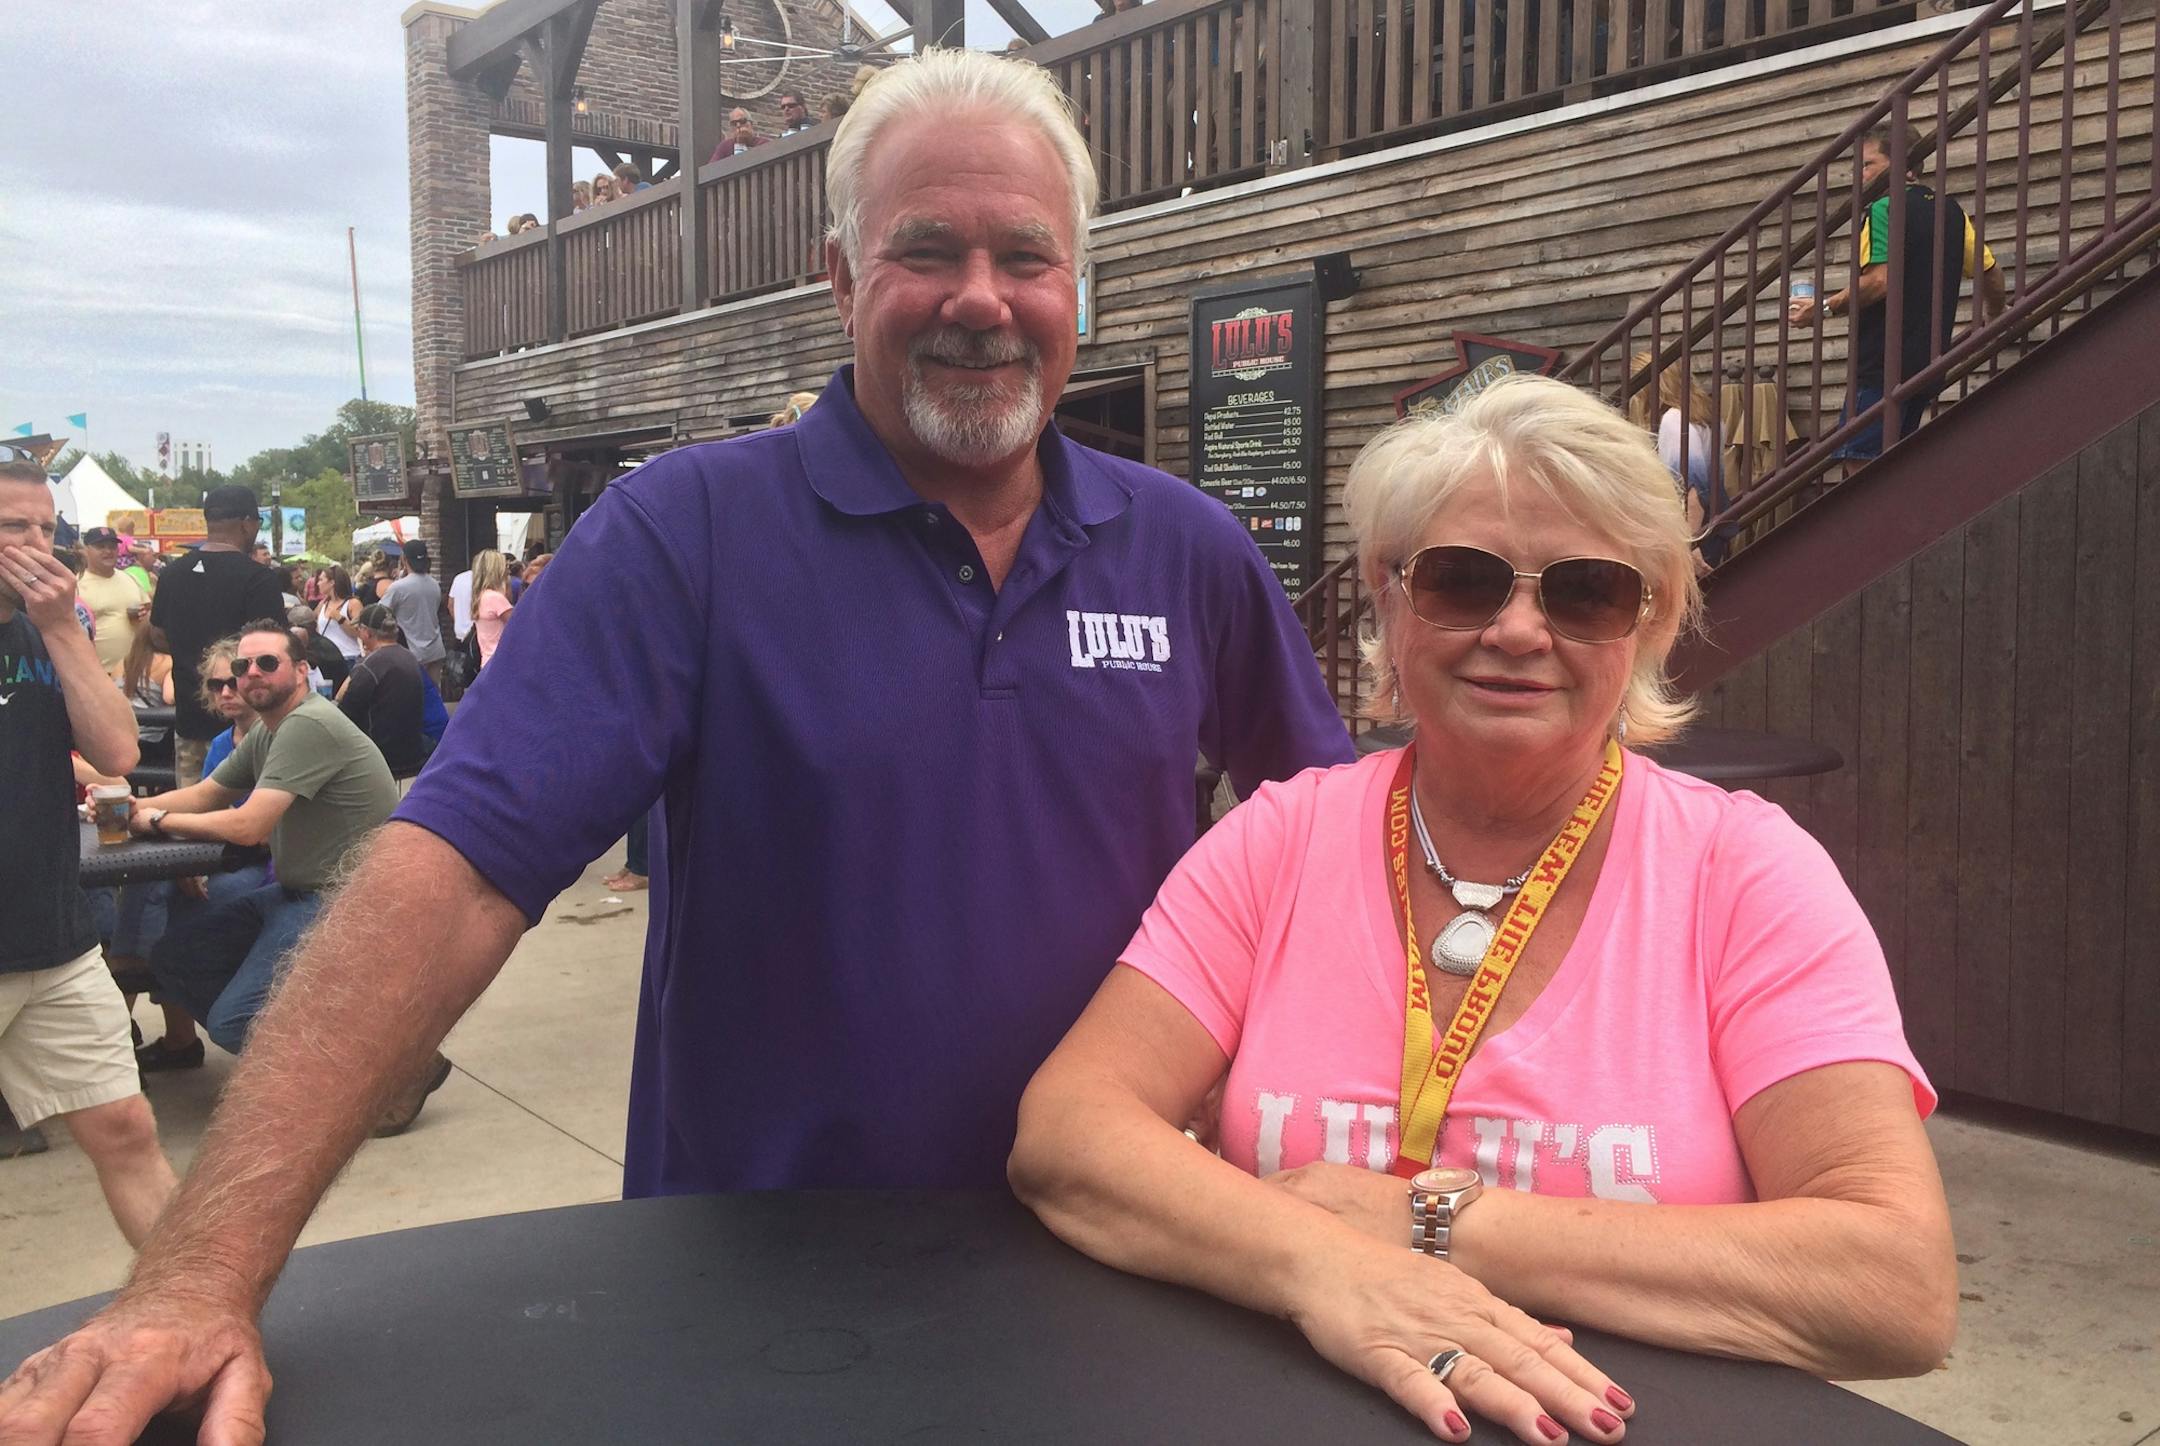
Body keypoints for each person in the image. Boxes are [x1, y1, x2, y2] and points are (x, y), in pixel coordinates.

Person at [0, 50, 1353, 1437]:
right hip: (764, 1305)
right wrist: (200, 1273)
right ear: (839, 280)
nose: (981, 299)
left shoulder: (1184, 551)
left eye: (1027, 256)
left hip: (1121, 1269)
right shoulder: (689, 533)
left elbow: (1341, 867)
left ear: (1081, 287)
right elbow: (450, 875)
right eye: (925, 251)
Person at [1010, 375, 1956, 1444]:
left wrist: (1433, 1225)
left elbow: (1896, 1285)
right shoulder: (1278, 841)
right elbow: (1069, 1133)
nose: (1518, 628)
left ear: (1650, 621)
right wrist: (1326, 1266)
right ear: (1389, 596)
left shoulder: (1743, 873)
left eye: (1584, 592)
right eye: (1462, 581)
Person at [0, 449, 179, 1248]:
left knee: (128, 1131)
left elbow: (114, 752)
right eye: (13, 527)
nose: (37, 546)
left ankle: (198, 1313)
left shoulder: (46, 631)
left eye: (47, 529)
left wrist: (58, 631)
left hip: (53, 938)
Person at [134, 621, 400, 1066]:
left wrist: (158, 820)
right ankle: (308, 1041)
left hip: (341, 899)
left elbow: (248, 827)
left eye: (267, 662)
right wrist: (128, 805)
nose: (251, 673)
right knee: (175, 958)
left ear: (300, 670)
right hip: (295, 891)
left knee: (233, 1021)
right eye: (242, 665)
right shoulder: (269, 729)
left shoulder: (308, 723)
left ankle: (366, 1067)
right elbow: (205, 794)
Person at [1788, 126, 2008, 460]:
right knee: (1894, 467)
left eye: (1868, 164)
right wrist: (1995, 316)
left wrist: (1822, 308)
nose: (1860, 175)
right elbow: (1991, 275)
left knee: (1860, 469)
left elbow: (1878, 281)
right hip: (1927, 367)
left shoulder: (1883, 210)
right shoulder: (1951, 213)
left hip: (1880, 367)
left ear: (1903, 165)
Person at [131, 640, 269, 1075]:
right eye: (217, 685)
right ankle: (171, 1029)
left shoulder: (279, 736)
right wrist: (185, 858)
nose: (227, 692)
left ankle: (131, 988)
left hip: (268, 868)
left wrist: (163, 823)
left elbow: (257, 830)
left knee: (177, 911)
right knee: (156, 891)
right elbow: (205, 808)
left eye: (234, 682)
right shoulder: (219, 744)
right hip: (225, 861)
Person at [147, 485, 287, 787]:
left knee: (192, 815)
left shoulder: (171, 575)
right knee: (245, 819)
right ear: (246, 523)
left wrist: (191, 650)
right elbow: (275, 649)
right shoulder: (259, 578)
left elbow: (156, 636)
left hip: (189, 719)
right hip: (246, 725)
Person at [337, 604, 428, 785]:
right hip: (412, 755)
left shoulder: (370, 665)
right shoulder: (409, 657)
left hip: (380, 761)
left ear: (367, 633)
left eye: (359, 629)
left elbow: (345, 714)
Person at [74, 526, 151, 677]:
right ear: (86, 551)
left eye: (112, 546)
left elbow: (148, 612)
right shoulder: (76, 585)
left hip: (135, 671)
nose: (108, 551)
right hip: (98, 674)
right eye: (100, 547)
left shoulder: (130, 579)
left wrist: (145, 616)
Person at [382, 538, 447, 689]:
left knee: (412, 696)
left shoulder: (398, 587)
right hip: (435, 648)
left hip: (411, 650)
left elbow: (380, 612)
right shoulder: (434, 585)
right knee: (432, 695)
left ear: (404, 559)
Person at [468, 550, 514, 667]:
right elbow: (519, 624)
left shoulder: (481, 596)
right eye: (505, 567)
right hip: (502, 662)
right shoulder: (495, 598)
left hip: (488, 660)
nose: (508, 571)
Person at [317, 564, 363, 664]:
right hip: (326, 659)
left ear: (332, 582)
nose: (318, 583)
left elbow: (359, 632)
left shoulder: (352, 604)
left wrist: (340, 618)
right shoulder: (323, 604)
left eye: (321, 580)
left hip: (348, 657)